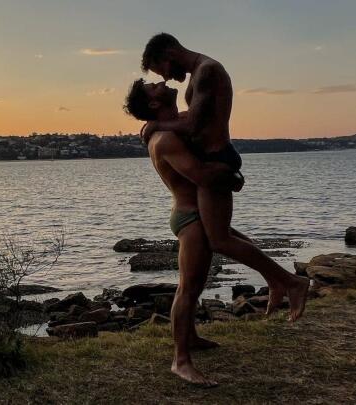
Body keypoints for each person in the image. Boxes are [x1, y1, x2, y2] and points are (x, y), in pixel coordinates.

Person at [138, 33, 309, 320]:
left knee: (218, 239)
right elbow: (195, 118)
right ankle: (277, 280)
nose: (166, 78)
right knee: (225, 234)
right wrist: (157, 125)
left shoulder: (208, 71)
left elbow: (192, 124)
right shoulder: (198, 74)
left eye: (162, 71)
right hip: (215, 157)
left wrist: (156, 123)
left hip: (217, 159)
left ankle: (292, 282)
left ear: (168, 52)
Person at [125, 80, 243, 386]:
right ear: (153, 103)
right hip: (190, 217)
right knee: (187, 289)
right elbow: (201, 175)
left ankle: (190, 337)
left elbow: (195, 120)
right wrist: (232, 176)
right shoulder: (165, 137)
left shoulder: (168, 127)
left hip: (193, 215)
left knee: (196, 283)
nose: (160, 82)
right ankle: (180, 361)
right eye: (153, 87)